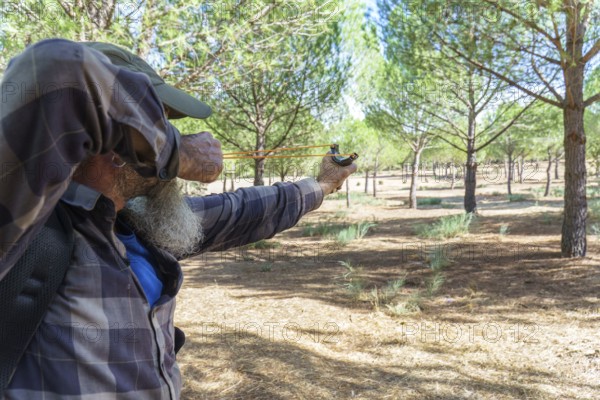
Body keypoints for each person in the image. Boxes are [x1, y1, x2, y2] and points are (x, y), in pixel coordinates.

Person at [0, 39, 356, 399]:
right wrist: (180, 154)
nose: (165, 136)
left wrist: (323, 184)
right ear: (113, 141)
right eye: (158, 124)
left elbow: (243, 209)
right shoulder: (24, 230)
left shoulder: (132, 224)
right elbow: (54, 69)